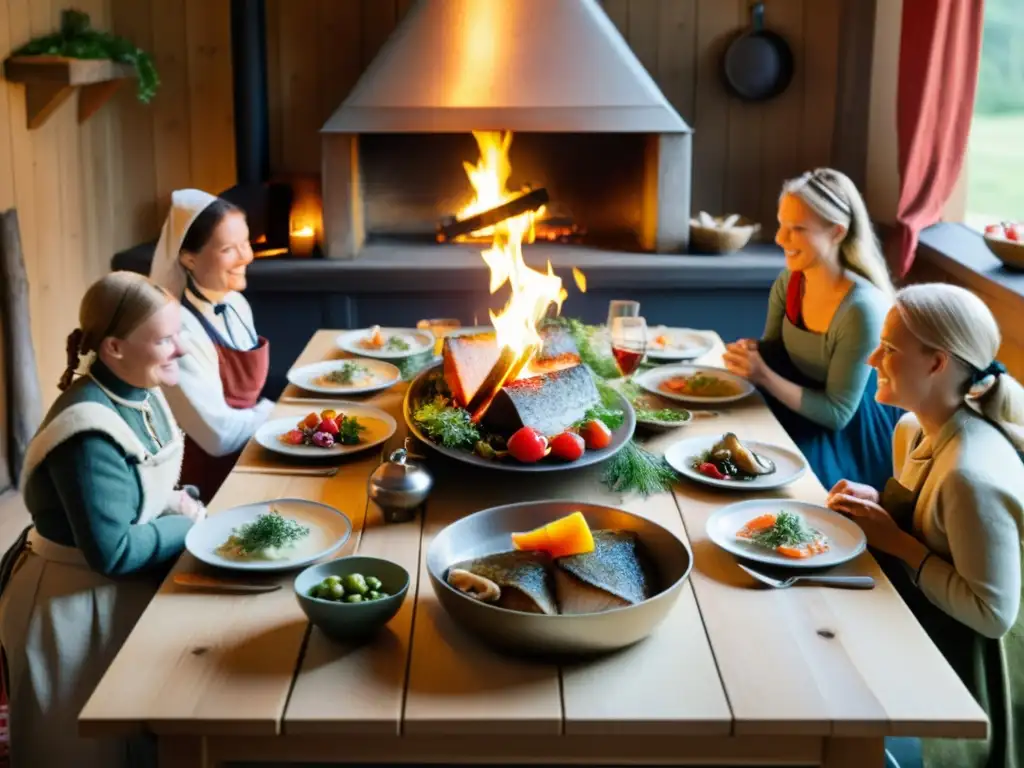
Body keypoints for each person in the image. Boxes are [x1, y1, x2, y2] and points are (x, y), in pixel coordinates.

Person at [0, 271, 206, 768]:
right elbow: (112, 550)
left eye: (178, 334)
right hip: (72, 606)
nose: (180, 349)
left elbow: (136, 490)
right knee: (79, 750)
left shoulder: (139, 386)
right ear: (114, 347)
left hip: (111, 588)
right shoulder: (87, 432)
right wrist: (189, 525)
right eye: (164, 339)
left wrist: (177, 501)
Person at [827, 283, 1024, 768]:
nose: (872, 358)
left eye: (889, 349)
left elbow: (992, 614)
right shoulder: (911, 429)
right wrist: (880, 507)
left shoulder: (969, 475)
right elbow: (929, 526)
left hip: (964, 675)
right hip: (911, 621)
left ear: (937, 364)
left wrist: (894, 540)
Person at [723, 167, 903, 491]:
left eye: (797, 229)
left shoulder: (861, 309)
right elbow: (774, 353)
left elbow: (837, 414)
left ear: (836, 232)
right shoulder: (790, 282)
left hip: (845, 442)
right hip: (795, 410)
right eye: (781, 225)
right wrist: (750, 354)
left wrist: (761, 373)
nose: (780, 239)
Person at [149, 189, 274, 503]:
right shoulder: (177, 330)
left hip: (250, 451)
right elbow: (217, 436)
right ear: (189, 258)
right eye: (229, 249)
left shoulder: (237, 303)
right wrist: (275, 412)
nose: (246, 257)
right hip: (206, 482)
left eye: (246, 243)